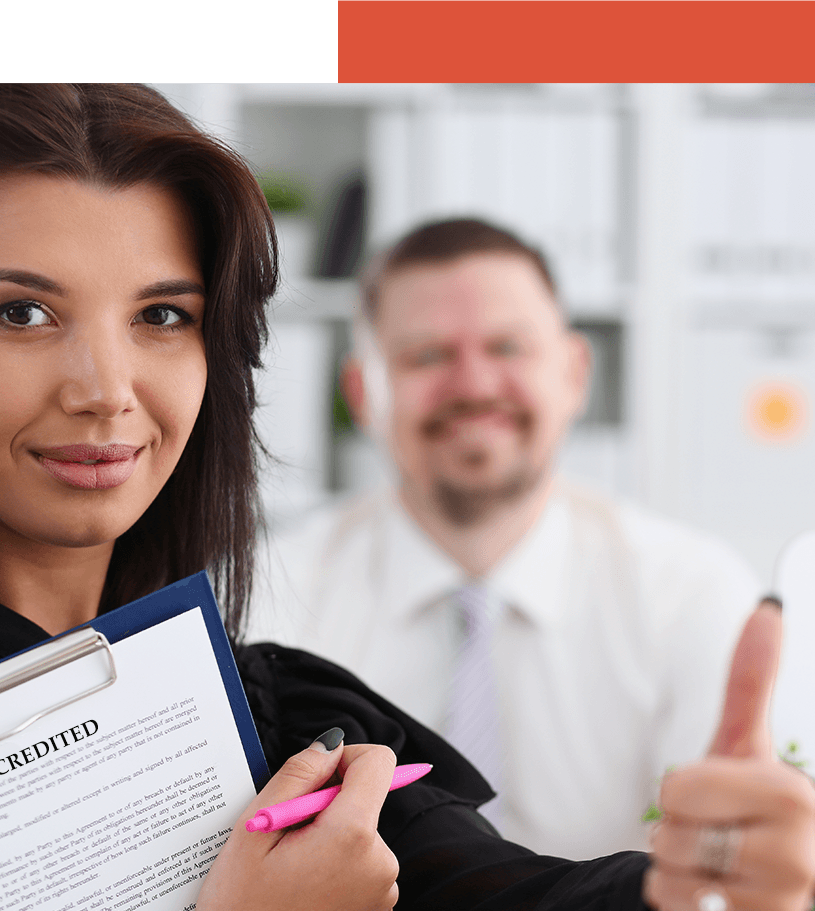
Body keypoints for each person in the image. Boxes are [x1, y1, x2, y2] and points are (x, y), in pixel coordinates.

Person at [0, 84, 815, 911]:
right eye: (22, 312)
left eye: (162, 315)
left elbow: (514, 901)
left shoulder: (275, 720)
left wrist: (698, 894)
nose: (106, 389)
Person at [248, 217, 763, 858]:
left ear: (574, 373)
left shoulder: (691, 593)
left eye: (508, 348)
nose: (474, 385)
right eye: (427, 355)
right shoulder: (271, 593)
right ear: (362, 393)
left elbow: (713, 859)